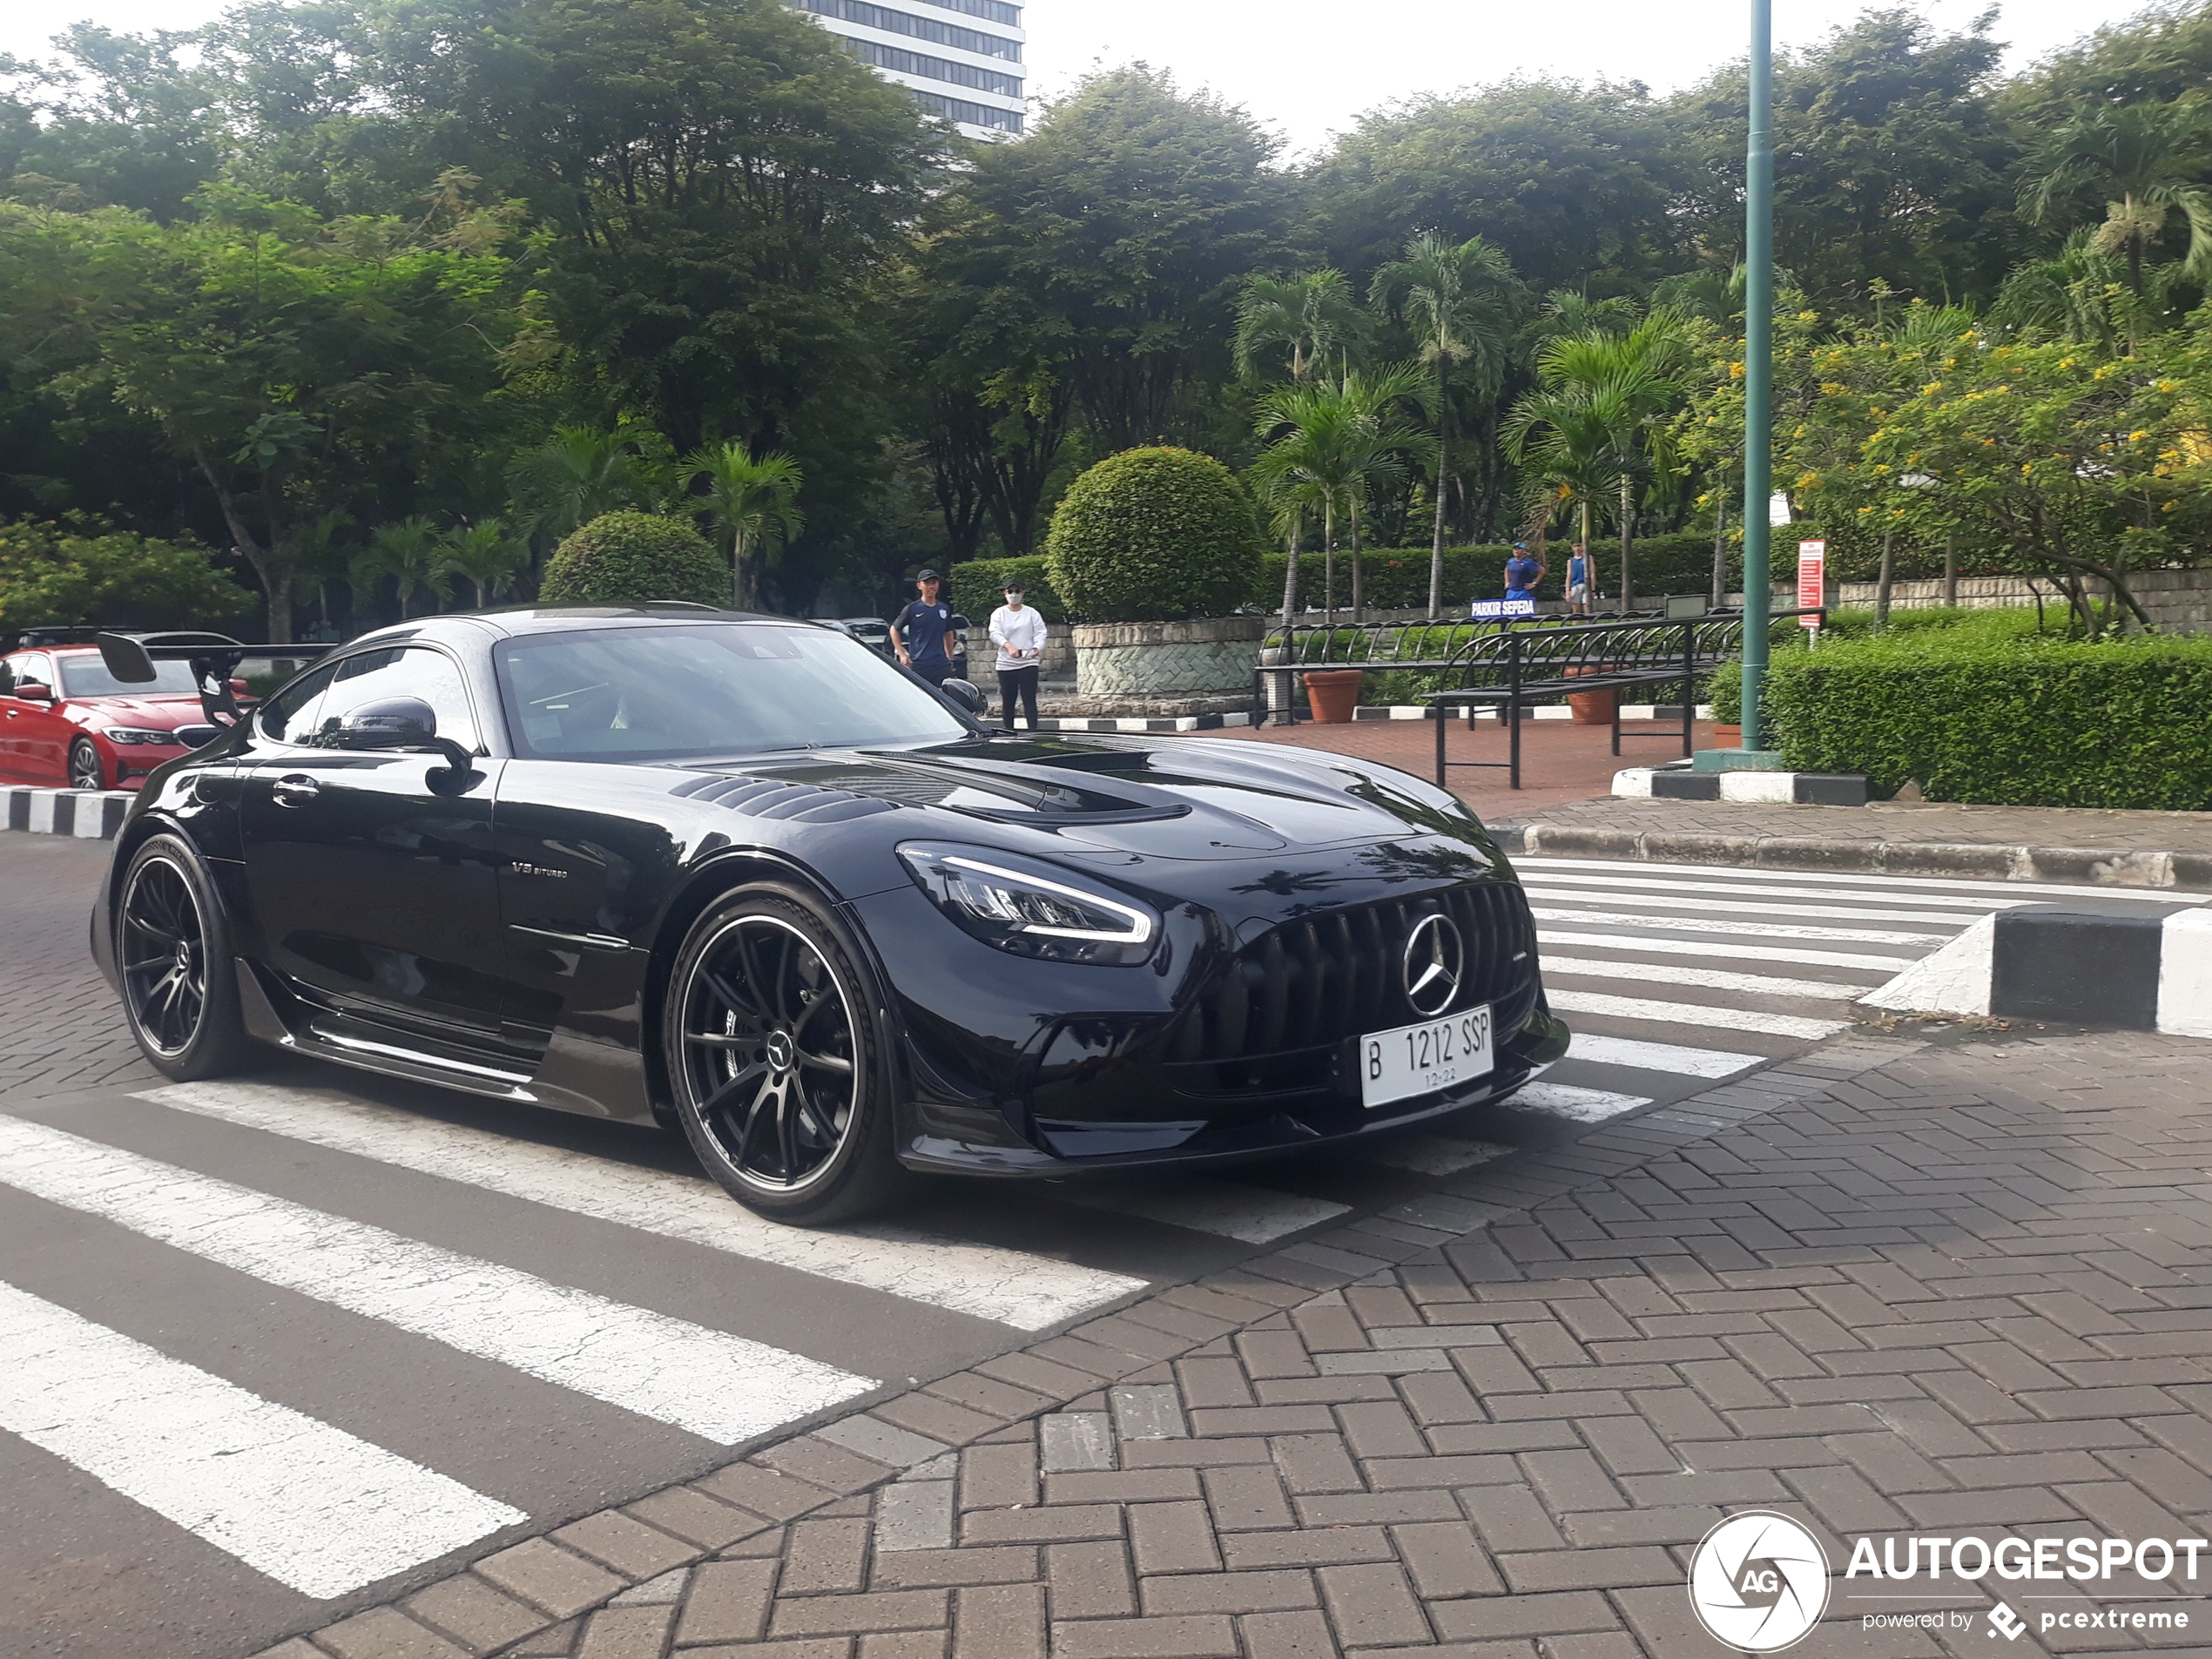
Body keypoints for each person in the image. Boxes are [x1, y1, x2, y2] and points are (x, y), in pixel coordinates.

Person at [988, 581, 1048, 732]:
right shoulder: (999, 613)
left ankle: (1033, 731)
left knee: (1029, 698)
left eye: (1017, 591)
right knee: (1008, 699)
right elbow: (995, 633)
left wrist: (1036, 647)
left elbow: (1041, 632)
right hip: (1006, 662)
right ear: (1005, 593)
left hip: (1029, 661)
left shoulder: (1031, 613)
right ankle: (1008, 730)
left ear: (1023, 592)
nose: (1013, 594)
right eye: (1010, 591)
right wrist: (1008, 647)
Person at [894, 570, 957, 688]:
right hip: (919, 663)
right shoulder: (912, 609)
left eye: (934, 582)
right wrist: (902, 653)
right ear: (919, 585)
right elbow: (894, 629)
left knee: (944, 697)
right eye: (927, 583)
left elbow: (948, 632)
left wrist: (950, 656)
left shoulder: (943, 608)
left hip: (941, 664)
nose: (931, 586)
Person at [1503, 541, 1546, 605]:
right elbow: (1507, 570)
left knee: (1523, 613)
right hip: (1511, 591)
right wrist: (1507, 581)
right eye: (1515, 549)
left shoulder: (1528, 562)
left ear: (1524, 551)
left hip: (1523, 591)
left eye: (1519, 549)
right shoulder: (1510, 561)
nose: (1516, 551)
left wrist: (1534, 583)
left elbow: (1542, 570)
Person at [1566, 543, 1591, 617]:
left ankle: (1589, 625)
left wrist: (1593, 589)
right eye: (1575, 546)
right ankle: (1576, 625)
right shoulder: (1571, 561)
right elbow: (1569, 575)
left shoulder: (1587, 559)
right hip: (1575, 585)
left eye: (1579, 546)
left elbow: (1592, 573)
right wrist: (1568, 591)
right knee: (1576, 609)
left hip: (1586, 584)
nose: (1577, 548)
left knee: (1587, 607)